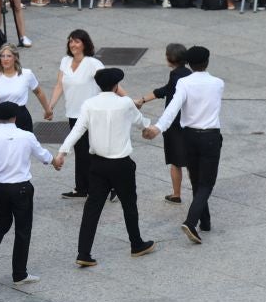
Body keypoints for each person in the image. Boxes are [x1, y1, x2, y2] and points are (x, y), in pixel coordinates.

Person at [55, 67, 156, 267]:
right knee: (129, 205)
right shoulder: (125, 103)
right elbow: (142, 124)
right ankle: (136, 244)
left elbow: (77, 130)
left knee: (92, 208)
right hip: (122, 165)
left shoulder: (89, 104)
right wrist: (148, 127)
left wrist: (62, 152)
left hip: (98, 165)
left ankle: (84, 252)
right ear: (116, 86)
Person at [144, 46, 223, 244]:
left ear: (190, 63)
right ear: (207, 62)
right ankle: (191, 221)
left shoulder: (184, 83)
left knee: (196, 181)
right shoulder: (218, 83)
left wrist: (158, 127)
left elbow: (173, 108)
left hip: (189, 137)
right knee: (206, 183)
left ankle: (205, 222)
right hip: (210, 137)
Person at [0, 102, 52, 287]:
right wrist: (55, 161)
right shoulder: (26, 136)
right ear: (15, 117)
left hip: (0, 189)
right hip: (22, 188)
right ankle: (19, 274)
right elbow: (43, 156)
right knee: (22, 230)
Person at [47, 29, 102, 199]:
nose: (73, 44)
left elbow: (109, 83)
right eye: (71, 41)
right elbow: (59, 85)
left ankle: (108, 186)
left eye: (77, 41)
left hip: (91, 114)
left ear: (85, 44)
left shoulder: (93, 63)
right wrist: (50, 106)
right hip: (73, 113)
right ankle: (82, 188)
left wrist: (129, 101)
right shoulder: (65, 61)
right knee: (81, 152)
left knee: (94, 152)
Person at [134, 43, 191, 204]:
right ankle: (197, 193)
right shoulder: (188, 73)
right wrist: (143, 99)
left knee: (175, 162)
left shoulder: (175, 75)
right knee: (191, 161)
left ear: (170, 58)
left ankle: (176, 194)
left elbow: (167, 91)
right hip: (189, 123)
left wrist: (142, 100)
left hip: (174, 124)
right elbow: (166, 90)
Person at [0, 44, 43, 132]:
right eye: (2, 56)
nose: (5, 59)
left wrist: (48, 110)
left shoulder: (26, 74)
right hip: (0, 117)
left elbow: (38, 92)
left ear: (15, 57)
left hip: (20, 117)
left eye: (9, 56)